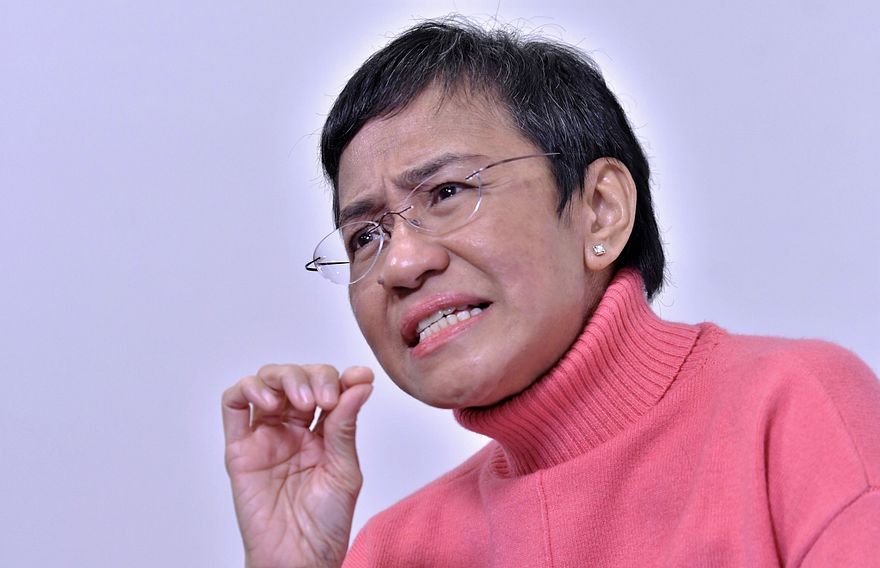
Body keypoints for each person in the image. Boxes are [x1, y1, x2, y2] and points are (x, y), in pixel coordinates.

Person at [222, 19, 880, 567]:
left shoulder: (792, 412)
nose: (401, 263)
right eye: (365, 235)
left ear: (600, 211)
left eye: (447, 192)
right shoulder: (394, 550)